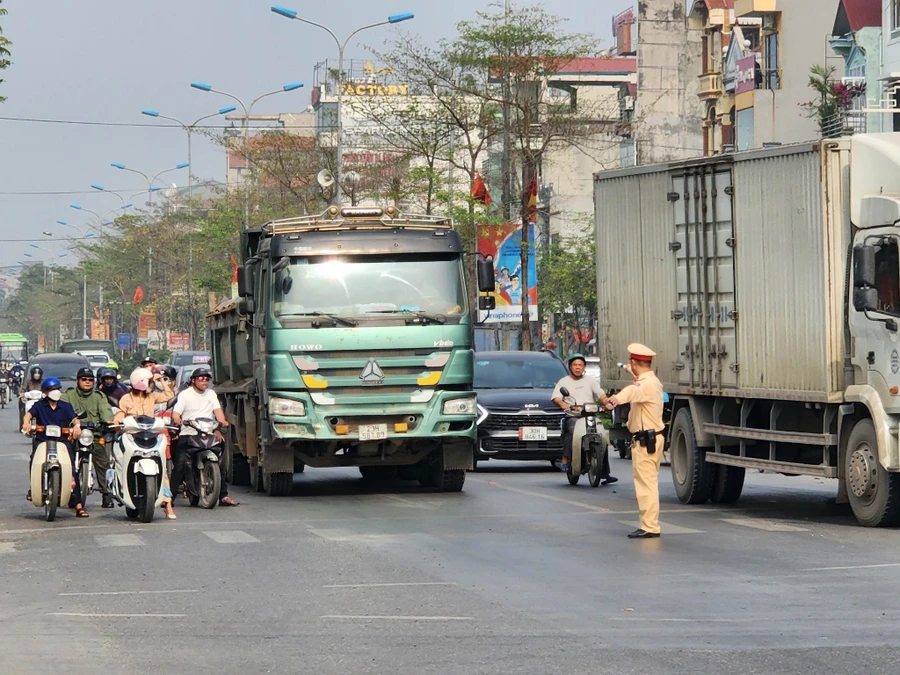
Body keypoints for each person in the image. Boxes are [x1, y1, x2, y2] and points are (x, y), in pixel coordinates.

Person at [606, 343, 665, 540]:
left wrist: (614, 399)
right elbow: (634, 374)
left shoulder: (644, 385)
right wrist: (627, 367)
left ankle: (650, 526)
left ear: (635, 362)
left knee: (646, 485)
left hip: (645, 440)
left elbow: (631, 391)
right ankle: (649, 524)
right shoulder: (652, 379)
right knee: (648, 483)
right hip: (653, 437)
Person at [115, 367, 177, 519]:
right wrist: (117, 420)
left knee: (162, 469)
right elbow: (120, 413)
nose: (151, 384)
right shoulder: (126, 398)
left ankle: (167, 504)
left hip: (150, 436)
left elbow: (169, 395)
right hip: (132, 436)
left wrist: (161, 380)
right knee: (120, 460)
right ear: (141, 382)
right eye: (149, 381)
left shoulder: (152, 397)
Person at [171, 367, 237, 506]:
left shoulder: (211, 394)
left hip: (208, 432)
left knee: (220, 461)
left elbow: (218, 412)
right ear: (193, 380)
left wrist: (222, 423)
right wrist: (178, 420)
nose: (204, 381)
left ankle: (223, 495)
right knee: (179, 466)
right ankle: (169, 498)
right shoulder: (185, 395)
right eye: (201, 378)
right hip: (189, 433)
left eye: (207, 379)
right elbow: (176, 413)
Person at [21, 377, 86, 516]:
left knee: (72, 469)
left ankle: (79, 505)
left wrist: (77, 427)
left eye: (57, 389)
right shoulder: (39, 405)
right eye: (51, 389)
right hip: (43, 440)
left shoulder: (66, 406)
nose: (55, 392)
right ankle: (34, 488)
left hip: (63, 441)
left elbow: (75, 419)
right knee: (34, 461)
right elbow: (28, 415)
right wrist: (26, 423)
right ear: (45, 392)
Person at [551, 353, 616, 484]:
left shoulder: (590, 380)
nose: (577, 367)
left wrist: (607, 403)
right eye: (575, 365)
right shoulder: (564, 381)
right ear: (570, 367)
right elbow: (556, 397)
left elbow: (601, 395)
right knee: (572, 431)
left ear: (584, 367)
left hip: (590, 415)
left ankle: (605, 472)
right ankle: (565, 458)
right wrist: (564, 404)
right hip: (573, 416)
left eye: (580, 365)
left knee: (602, 437)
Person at [63, 367, 115, 508]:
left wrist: (109, 420)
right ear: (77, 381)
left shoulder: (99, 396)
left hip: (94, 435)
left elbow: (106, 412)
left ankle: (106, 494)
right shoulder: (68, 395)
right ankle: (67, 491)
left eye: (90, 380)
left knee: (103, 462)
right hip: (73, 435)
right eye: (84, 379)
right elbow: (61, 410)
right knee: (65, 461)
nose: (87, 382)